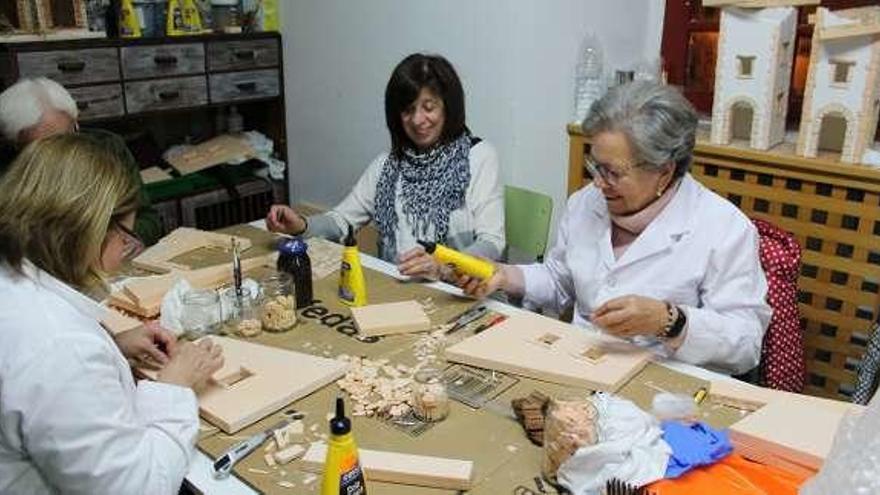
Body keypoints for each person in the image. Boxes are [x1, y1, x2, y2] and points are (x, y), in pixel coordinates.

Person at [460, 82, 770, 375]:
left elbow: (746, 344)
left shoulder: (724, 228)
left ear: (664, 171)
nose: (598, 183)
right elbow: (560, 279)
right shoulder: (586, 203)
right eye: (595, 166)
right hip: (581, 366)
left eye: (613, 172)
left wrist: (669, 322)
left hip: (663, 386)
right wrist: (505, 275)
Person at [0, 134, 224, 493]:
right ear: (88, 230)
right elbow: (139, 487)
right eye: (125, 239)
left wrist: (111, 344)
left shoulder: (16, 283)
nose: (125, 253)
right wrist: (174, 386)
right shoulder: (59, 348)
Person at [266, 53, 504, 280]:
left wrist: (444, 267)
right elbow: (342, 220)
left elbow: (492, 242)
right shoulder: (387, 166)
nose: (418, 120)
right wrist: (301, 225)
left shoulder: (478, 158)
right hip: (397, 293)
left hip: (459, 294)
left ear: (448, 107)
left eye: (429, 107)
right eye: (408, 110)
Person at [0, 77, 163, 245]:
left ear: (76, 124)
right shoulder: (8, 175)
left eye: (66, 141)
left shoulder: (108, 149)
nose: (58, 155)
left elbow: (147, 218)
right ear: (16, 145)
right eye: (42, 150)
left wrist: (129, 238)